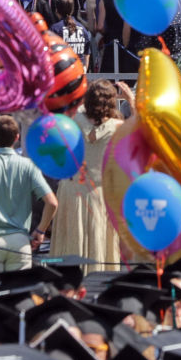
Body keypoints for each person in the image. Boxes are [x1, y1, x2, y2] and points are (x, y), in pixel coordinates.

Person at [49, 81, 123, 266]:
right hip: (100, 192)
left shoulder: (73, 119)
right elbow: (141, 129)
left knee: (70, 243)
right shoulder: (118, 127)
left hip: (72, 189)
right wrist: (129, 98)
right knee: (99, 245)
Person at [0, 113, 57, 271]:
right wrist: (40, 230)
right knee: (19, 293)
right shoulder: (29, 166)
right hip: (20, 242)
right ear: (17, 137)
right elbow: (52, 202)